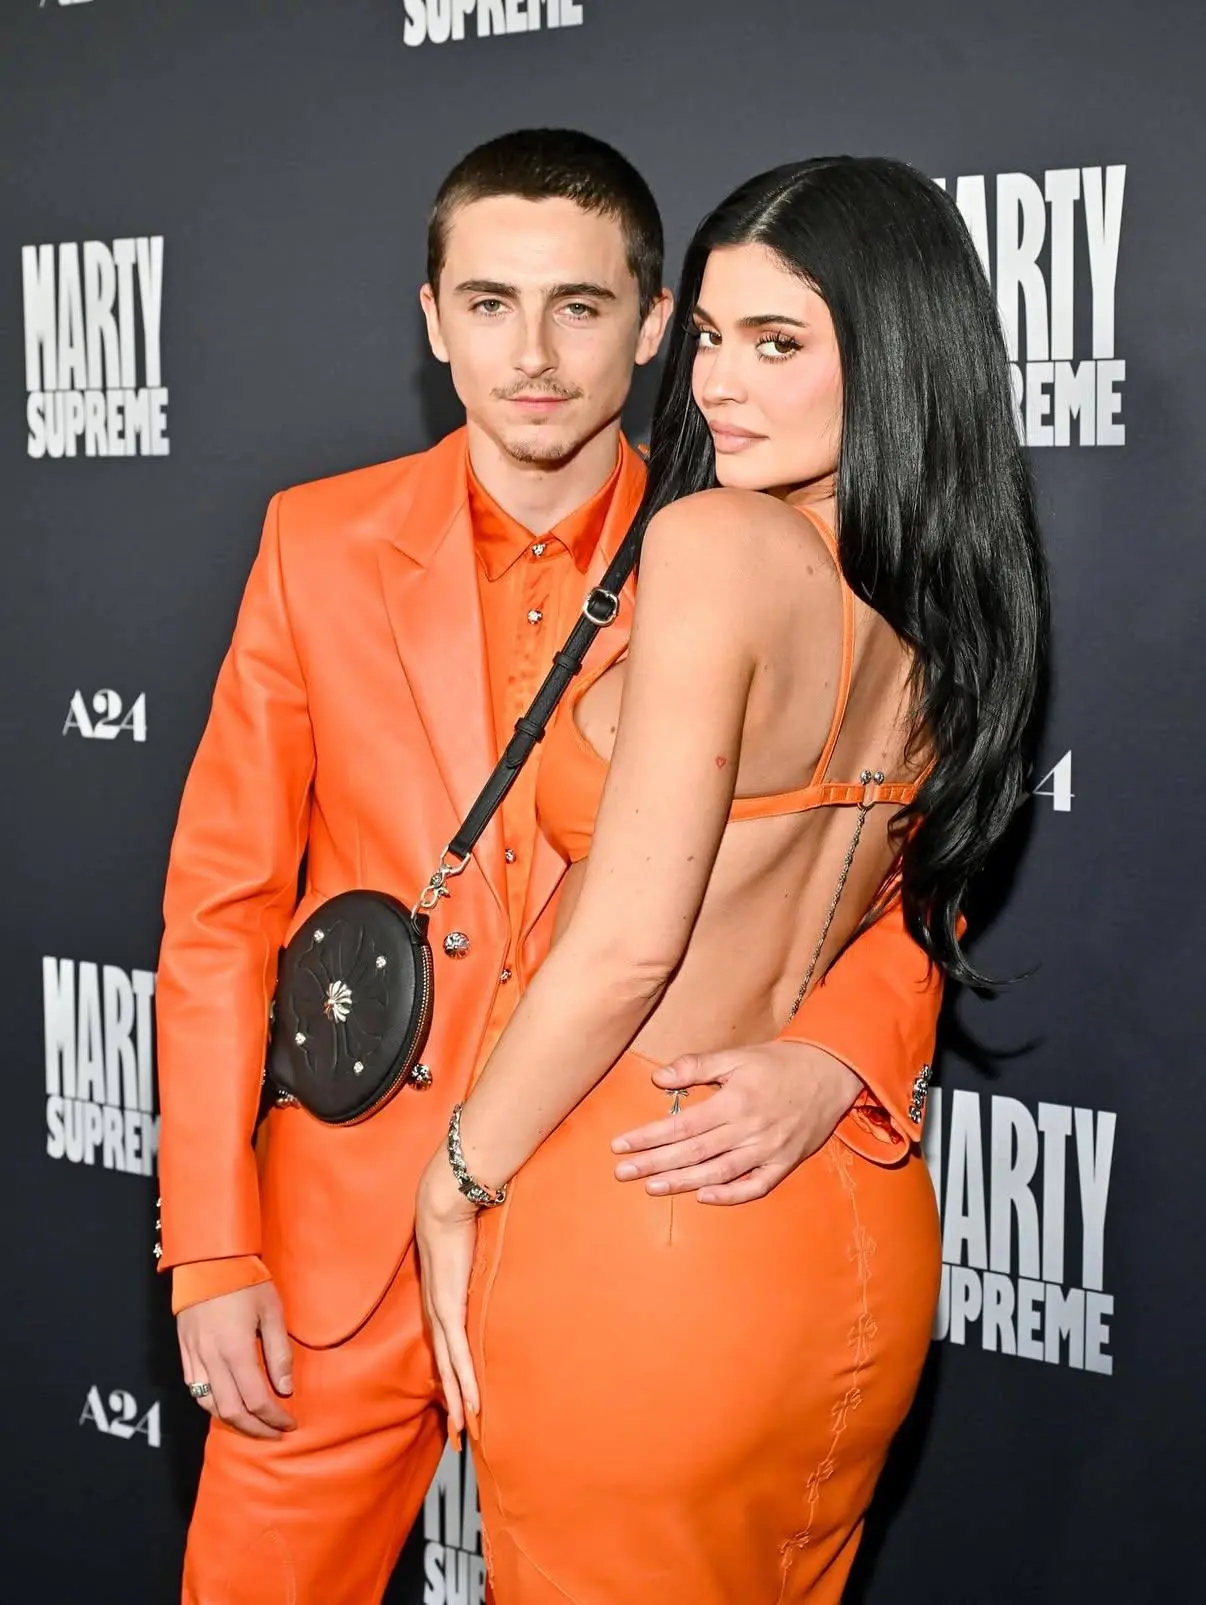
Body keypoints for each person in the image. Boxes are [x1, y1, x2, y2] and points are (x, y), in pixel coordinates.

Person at [156, 132, 946, 1605]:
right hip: (345, 1247)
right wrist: (211, 1246)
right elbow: (222, 910)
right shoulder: (315, 544)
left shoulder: (744, 537)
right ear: (431, 319)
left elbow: (896, 872)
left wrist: (838, 1053)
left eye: (579, 307)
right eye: (488, 303)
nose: (531, 354)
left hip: (621, 1213)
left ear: (651, 327)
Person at [416, 154, 1048, 1604]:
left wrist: (455, 1179)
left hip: (640, 1221)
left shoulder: (711, 543)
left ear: (891, 360)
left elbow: (629, 947)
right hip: (844, 1234)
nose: (716, 386)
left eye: (778, 344)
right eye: (708, 336)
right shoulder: (945, 606)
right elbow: (895, 906)